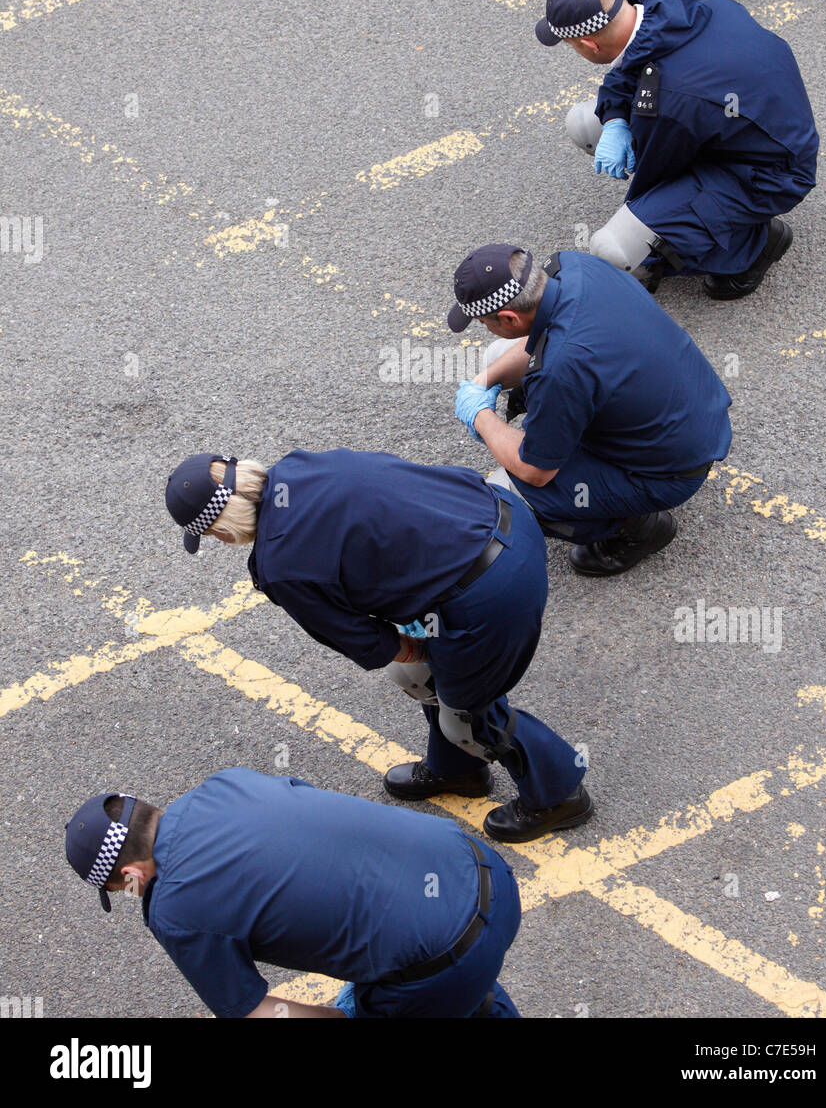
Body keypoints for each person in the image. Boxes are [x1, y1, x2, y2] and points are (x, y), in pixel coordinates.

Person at [163, 450, 593, 843]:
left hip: (493, 592)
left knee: (463, 710)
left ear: (222, 528)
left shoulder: (282, 566)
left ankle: (559, 793)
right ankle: (457, 769)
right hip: (505, 517)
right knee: (433, 676)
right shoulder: (297, 468)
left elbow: (375, 642)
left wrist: (435, 656)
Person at [63, 769, 522, 1018]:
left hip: (446, 958)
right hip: (483, 872)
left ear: (129, 872)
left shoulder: (176, 910)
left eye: (120, 887)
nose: (130, 892)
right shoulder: (224, 784)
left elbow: (259, 1012)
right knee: (448, 980)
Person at [448, 244, 732, 576]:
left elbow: (534, 470)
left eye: (484, 322)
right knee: (498, 357)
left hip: (668, 473)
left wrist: (480, 415)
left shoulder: (561, 370)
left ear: (509, 317)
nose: (486, 328)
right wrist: (485, 381)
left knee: (503, 495)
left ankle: (635, 527)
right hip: (690, 414)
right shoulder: (576, 267)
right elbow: (548, 344)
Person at [537, 0, 818, 297]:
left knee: (617, 247)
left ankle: (753, 246)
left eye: (571, 46)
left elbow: (654, 176)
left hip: (772, 173)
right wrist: (615, 119)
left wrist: (648, 235)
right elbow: (631, 64)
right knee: (587, 124)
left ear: (588, 43)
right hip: (755, 121)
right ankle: (716, 214)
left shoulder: (668, 100)